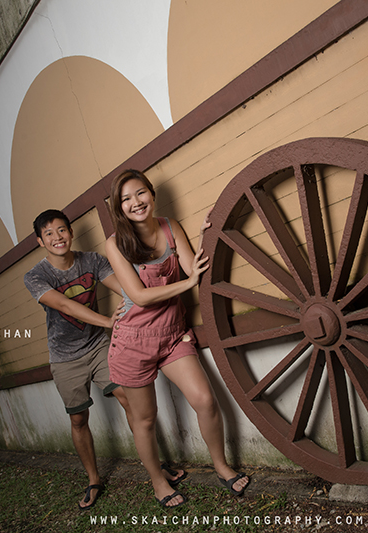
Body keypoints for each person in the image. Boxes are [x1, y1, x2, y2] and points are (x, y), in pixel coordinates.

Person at [105, 169, 250, 509]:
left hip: (171, 334)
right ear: (119, 207)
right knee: (145, 419)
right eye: (126, 199)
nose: (135, 203)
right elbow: (139, 297)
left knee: (205, 399)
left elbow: (192, 268)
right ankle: (158, 481)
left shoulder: (169, 227)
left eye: (140, 193)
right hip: (133, 342)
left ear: (151, 194)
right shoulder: (116, 245)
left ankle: (221, 465)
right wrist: (185, 285)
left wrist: (203, 238)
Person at [24, 209, 185, 511]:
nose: (57, 237)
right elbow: (63, 305)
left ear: (70, 233)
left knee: (128, 398)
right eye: (49, 233)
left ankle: (155, 467)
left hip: (98, 347)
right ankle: (93, 478)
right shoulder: (35, 276)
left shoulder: (93, 261)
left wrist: (158, 303)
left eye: (61, 230)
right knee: (78, 418)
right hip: (64, 357)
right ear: (40, 241)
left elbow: (128, 289)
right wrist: (108, 322)